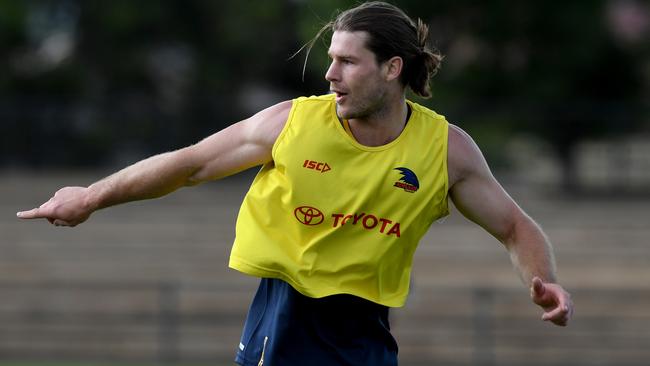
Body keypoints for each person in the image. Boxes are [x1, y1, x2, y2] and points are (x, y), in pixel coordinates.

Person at [17, 2, 573, 365]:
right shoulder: (292, 123)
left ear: (393, 69)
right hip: (286, 314)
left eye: (347, 62)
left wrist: (543, 280)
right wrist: (89, 197)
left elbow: (514, 226)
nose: (330, 74)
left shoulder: (445, 149)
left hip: (366, 331)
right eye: (330, 60)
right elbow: (188, 164)